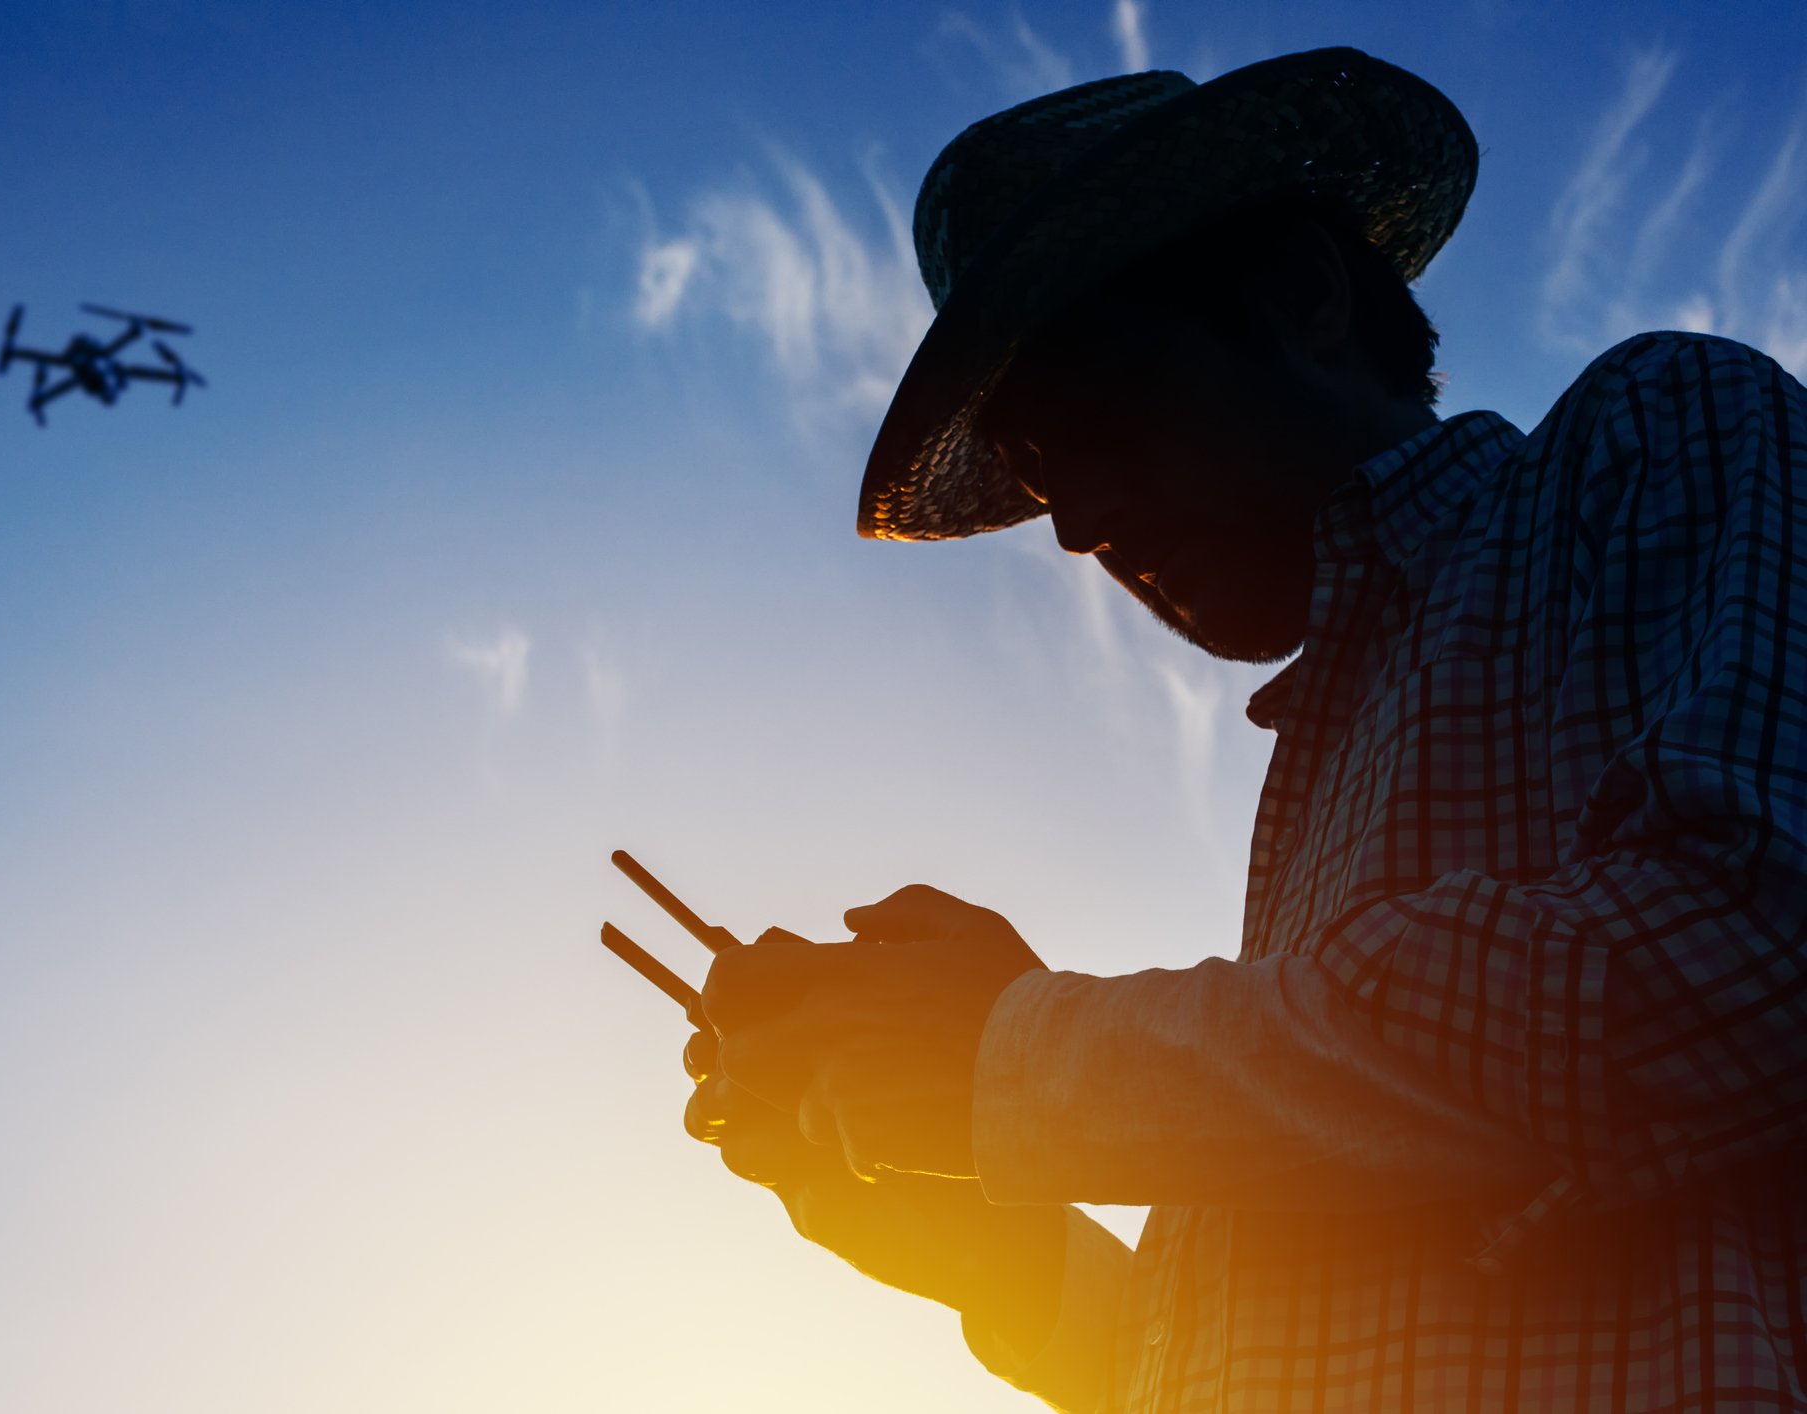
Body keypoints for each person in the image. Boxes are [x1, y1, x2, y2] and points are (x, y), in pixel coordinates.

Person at [680, 47, 1807, 1412]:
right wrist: (998, 1242)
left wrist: (1020, 1054)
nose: (1080, 523)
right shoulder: (1319, 773)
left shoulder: (1654, 428)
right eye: (1040, 482)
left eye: (1093, 416)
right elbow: (1317, 1323)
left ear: (1302, 297)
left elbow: (1748, 955)